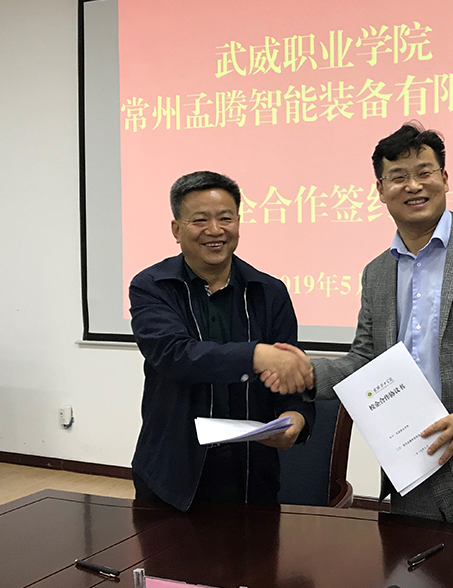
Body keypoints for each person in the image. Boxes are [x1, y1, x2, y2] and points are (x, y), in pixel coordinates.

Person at [264, 123, 453, 538]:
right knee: (416, 570)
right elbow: (367, 360)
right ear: (380, 189)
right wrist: (309, 373)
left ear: (445, 178)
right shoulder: (377, 272)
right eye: (398, 176)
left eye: (425, 172)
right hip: (411, 467)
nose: (414, 185)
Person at [129, 170, 315, 512]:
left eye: (226, 218)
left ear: (238, 223)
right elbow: (174, 354)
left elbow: (290, 376)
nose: (215, 230)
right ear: (176, 229)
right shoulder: (152, 286)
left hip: (251, 470)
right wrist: (256, 355)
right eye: (200, 220)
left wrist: (297, 416)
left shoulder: (269, 291)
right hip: (172, 470)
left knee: (256, 549)